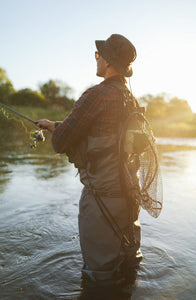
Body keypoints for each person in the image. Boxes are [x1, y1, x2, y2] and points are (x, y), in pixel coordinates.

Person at [36, 34, 142, 289]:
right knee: (129, 264)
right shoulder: (132, 99)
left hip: (102, 199)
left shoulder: (96, 95)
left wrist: (57, 130)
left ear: (107, 62)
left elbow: (62, 141)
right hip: (130, 195)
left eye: (98, 55)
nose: (96, 59)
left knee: (100, 278)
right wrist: (54, 125)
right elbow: (103, 134)